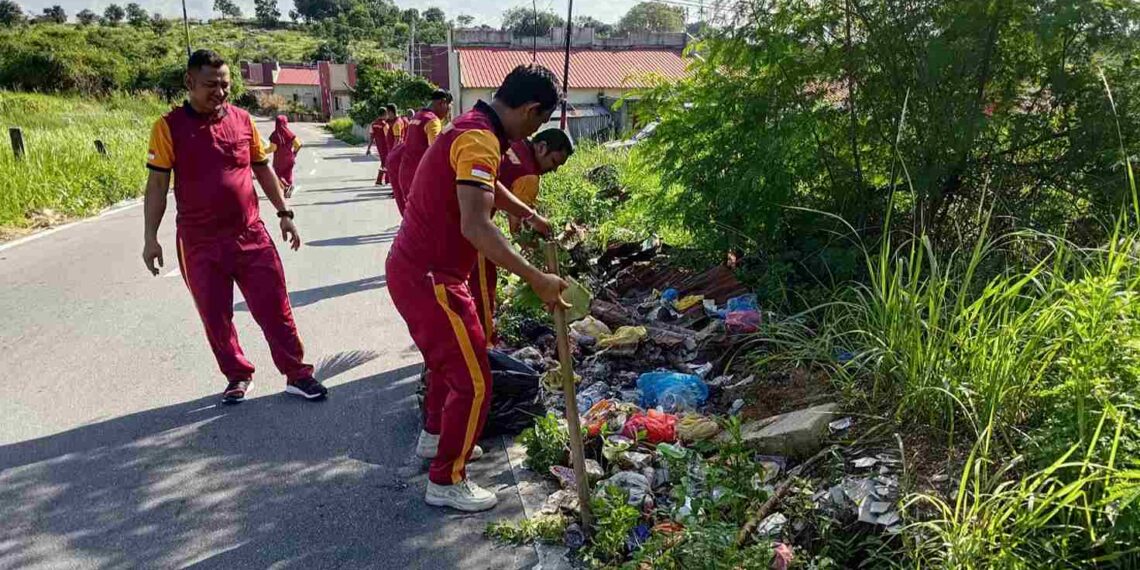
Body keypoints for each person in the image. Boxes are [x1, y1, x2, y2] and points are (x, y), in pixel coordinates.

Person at [387, 64, 565, 512]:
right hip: (432, 277)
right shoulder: (479, 139)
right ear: (530, 109)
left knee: (448, 363)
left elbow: (490, 188)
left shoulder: (475, 127)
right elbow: (477, 225)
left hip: (422, 270)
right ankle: (447, 480)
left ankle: (434, 437)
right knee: (475, 381)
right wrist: (538, 279)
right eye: (540, 121)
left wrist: (529, 215)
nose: (534, 132)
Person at [141, 49, 328, 404]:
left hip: (250, 235)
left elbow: (262, 168)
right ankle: (238, 375)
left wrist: (285, 213)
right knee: (216, 316)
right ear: (189, 82)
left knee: (275, 308)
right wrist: (150, 238)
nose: (220, 92)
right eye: (211, 85)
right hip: (198, 242)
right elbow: (157, 186)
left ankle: (298, 374)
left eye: (225, 84)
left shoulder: (242, 120)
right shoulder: (167, 127)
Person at [467, 128, 574, 347]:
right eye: (554, 162)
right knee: (483, 280)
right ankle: (485, 344)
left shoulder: (516, 145)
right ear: (541, 148)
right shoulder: (529, 175)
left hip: (463, 209)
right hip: (471, 220)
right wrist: (534, 258)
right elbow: (517, 228)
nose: (553, 170)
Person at [397, 90, 452, 201]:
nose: (448, 113)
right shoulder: (432, 120)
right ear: (442, 103)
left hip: (406, 173)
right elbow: (436, 152)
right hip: (421, 177)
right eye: (449, 108)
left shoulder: (417, 116)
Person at [268, 115, 302, 198]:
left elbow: (272, 148)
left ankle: (287, 186)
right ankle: (287, 191)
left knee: (277, 176)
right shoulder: (290, 133)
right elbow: (298, 144)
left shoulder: (275, 135)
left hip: (279, 160)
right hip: (290, 158)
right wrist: (294, 154)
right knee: (288, 175)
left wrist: (262, 151)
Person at [367, 107, 391, 185]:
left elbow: (371, 137)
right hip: (386, 146)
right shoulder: (384, 124)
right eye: (387, 114)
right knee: (386, 162)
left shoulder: (373, 124)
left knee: (384, 162)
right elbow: (388, 136)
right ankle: (380, 180)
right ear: (384, 114)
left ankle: (386, 180)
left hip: (379, 146)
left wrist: (368, 148)